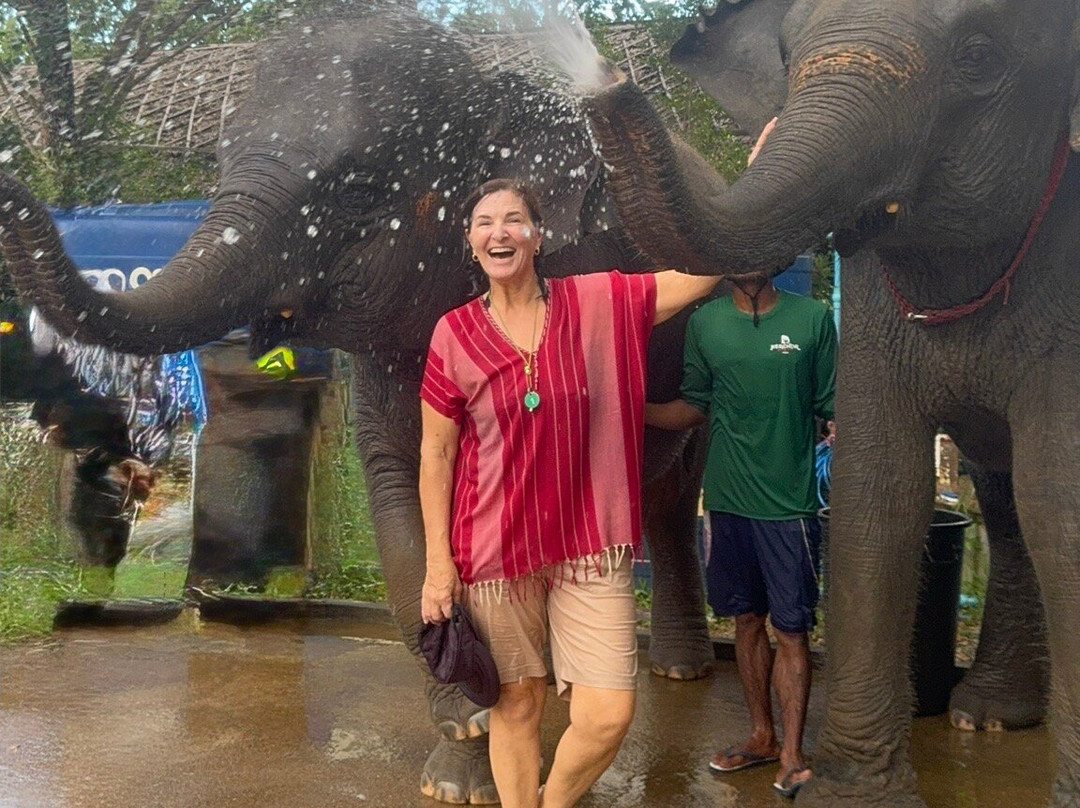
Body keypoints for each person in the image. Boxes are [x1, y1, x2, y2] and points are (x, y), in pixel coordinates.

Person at [419, 178, 721, 808]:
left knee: (608, 712)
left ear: (538, 235)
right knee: (517, 702)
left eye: (512, 220)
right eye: (484, 222)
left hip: (588, 543)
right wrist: (437, 566)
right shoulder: (454, 334)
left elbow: (696, 277)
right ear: (472, 242)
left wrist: (753, 188)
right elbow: (437, 453)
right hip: (494, 551)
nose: (498, 232)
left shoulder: (597, 301)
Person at [645, 263, 836, 797]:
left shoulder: (814, 319)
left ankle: (794, 754)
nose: (749, 261)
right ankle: (762, 737)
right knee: (747, 621)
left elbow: (834, 406)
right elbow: (693, 407)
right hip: (727, 503)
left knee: (792, 629)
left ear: (775, 258)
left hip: (789, 507)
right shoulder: (704, 325)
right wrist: (634, 409)